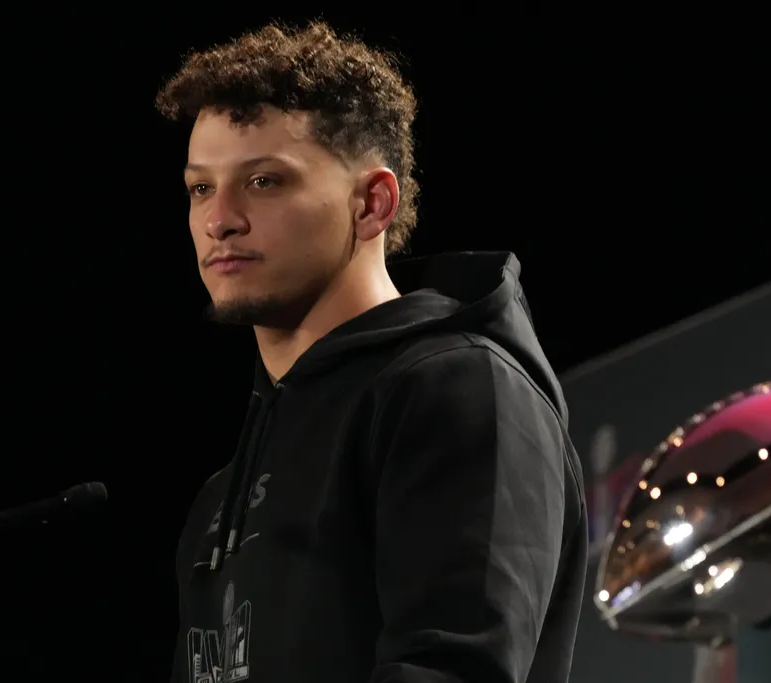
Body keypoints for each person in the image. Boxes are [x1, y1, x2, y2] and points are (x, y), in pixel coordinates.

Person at [155, 20, 588, 683]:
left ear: (372, 202)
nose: (220, 219)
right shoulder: (221, 495)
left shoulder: (460, 388)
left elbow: (454, 668)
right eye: (200, 187)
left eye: (265, 181)